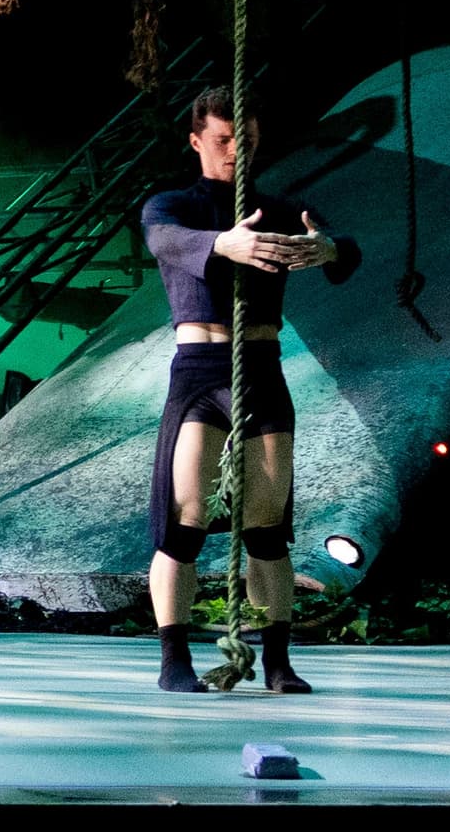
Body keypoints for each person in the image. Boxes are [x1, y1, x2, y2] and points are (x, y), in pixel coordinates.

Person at [141, 90, 360, 694]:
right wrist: (220, 245)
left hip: (261, 368)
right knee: (185, 519)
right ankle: (173, 660)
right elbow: (161, 241)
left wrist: (330, 247)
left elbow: (347, 252)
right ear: (196, 141)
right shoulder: (171, 205)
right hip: (199, 371)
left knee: (265, 528)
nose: (237, 150)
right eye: (223, 140)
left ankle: (279, 662)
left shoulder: (279, 209)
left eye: (247, 141)